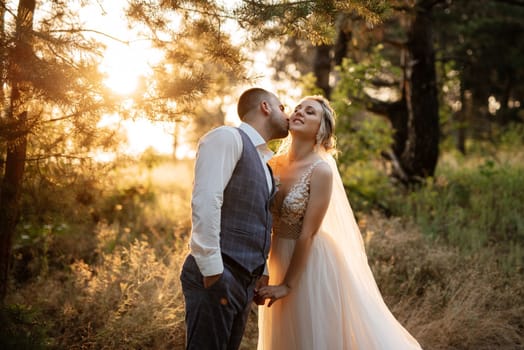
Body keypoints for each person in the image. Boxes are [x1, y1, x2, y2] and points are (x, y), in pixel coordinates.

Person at [256, 95, 422, 349]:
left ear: (321, 130)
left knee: (310, 335)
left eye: (310, 112)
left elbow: (308, 234)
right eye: (298, 108)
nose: (299, 112)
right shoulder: (270, 164)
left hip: (311, 262)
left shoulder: (320, 170)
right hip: (276, 256)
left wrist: (287, 285)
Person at [179, 87, 289, 350]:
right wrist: (213, 270)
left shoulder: (264, 163)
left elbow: (257, 216)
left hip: (243, 282)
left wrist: (260, 270)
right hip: (219, 274)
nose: (288, 114)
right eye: (282, 107)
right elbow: (207, 199)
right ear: (265, 106)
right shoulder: (227, 137)